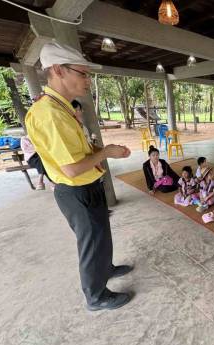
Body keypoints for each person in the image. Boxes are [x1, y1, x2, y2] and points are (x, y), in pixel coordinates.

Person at [25, 41, 133, 310]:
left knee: (101, 235)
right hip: (76, 190)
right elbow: (71, 168)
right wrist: (106, 151)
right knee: (91, 243)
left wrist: (100, 150)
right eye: (82, 73)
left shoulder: (61, 107)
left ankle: (105, 268)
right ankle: (96, 297)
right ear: (59, 70)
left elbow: (79, 149)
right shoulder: (49, 113)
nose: (88, 80)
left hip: (88, 184)